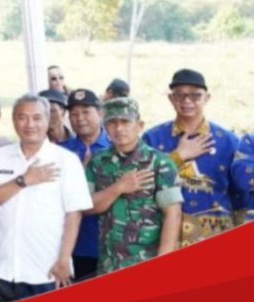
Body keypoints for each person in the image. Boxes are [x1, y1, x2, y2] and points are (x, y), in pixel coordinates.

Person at [0, 95, 93, 302]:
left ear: (48, 120)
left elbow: (73, 215)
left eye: (37, 118)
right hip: (6, 269)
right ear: (13, 121)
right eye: (23, 117)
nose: (30, 124)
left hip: (47, 270)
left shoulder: (66, 160)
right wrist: (24, 180)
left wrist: (64, 259)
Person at [142, 69, 241, 246]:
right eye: (179, 95)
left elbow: (240, 192)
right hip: (164, 236)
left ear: (207, 98)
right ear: (171, 99)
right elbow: (141, 182)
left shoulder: (229, 141)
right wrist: (178, 156)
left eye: (195, 95)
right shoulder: (153, 138)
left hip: (215, 234)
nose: (187, 101)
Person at [87, 98, 183, 275]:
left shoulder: (159, 162)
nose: (119, 128)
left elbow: (173, 214)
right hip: (109, 263)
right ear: (105, 127)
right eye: (112, 123)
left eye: (125, 122)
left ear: (139, 125)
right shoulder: (98, 161)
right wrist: (118, 187)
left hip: (146, 260)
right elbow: (87, 207)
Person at [59, 89, 111, 281]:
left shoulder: (116, 148)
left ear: (100, 113)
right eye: (73, 114)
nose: (79, 118)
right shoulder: (60, 152)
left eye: (86, 112)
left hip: (112, 244)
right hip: (72, 246)